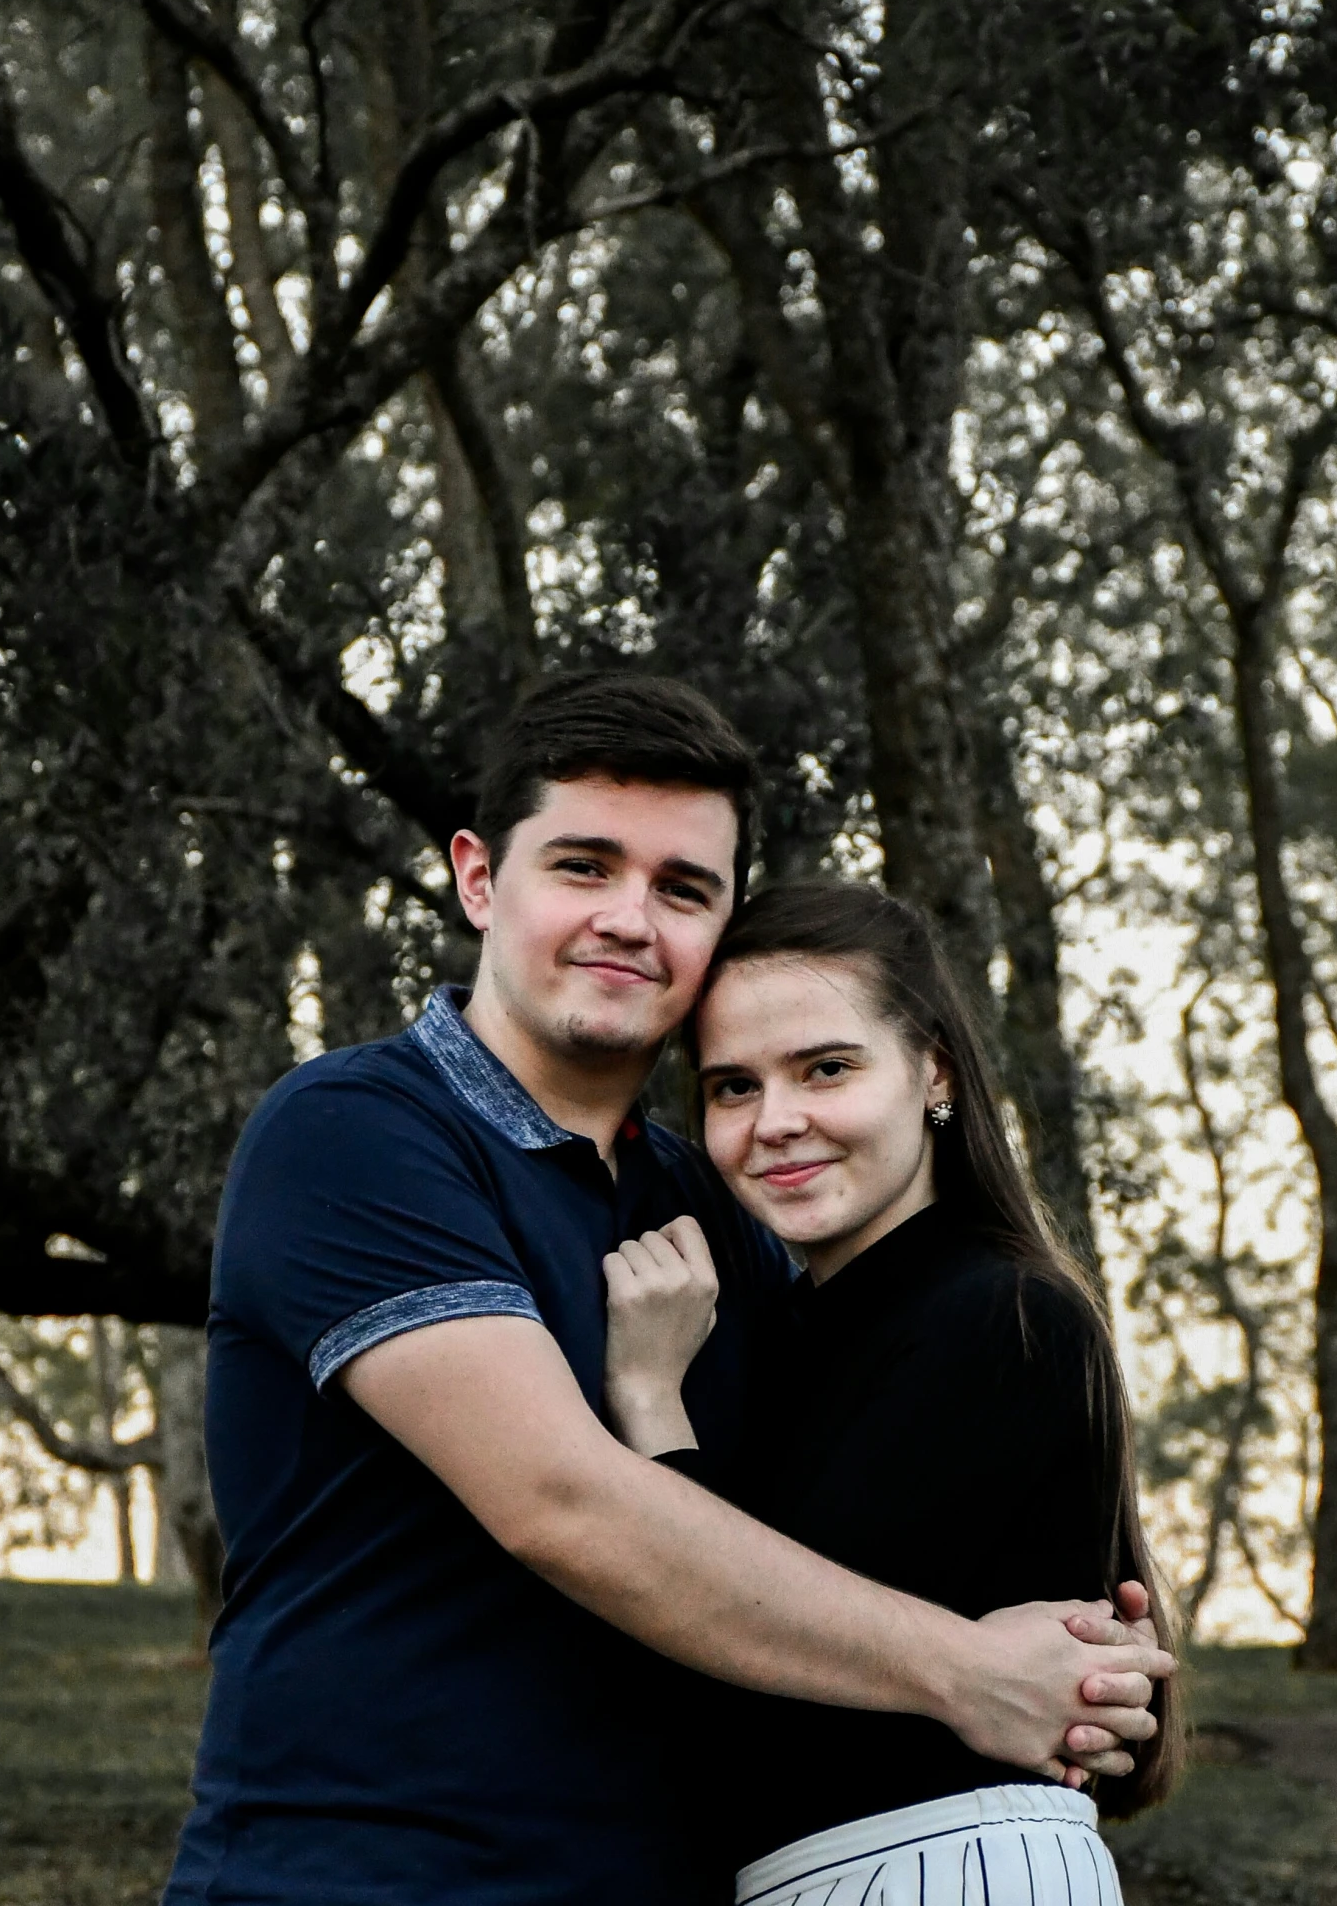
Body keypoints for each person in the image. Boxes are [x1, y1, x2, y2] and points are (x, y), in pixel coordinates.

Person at [163, 673, 1174, 1906]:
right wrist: (970, 1671)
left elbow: (816, 1533)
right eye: (584, 866)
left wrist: (1093, 1680)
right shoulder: (357, 1134)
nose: (631, 920)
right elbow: (561, 1500)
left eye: (683, 888)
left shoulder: (721, 1215)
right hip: (368, 1874)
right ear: (480, 879)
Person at [602, 879, 1182, 1905]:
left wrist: (650, 1399)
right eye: (734, 1086)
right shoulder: (807, 1324)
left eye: (825, 1068)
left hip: (933, 1867)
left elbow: (737, 1667)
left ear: (934, 1071)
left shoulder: (1001, 1316)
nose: (776, 1121)